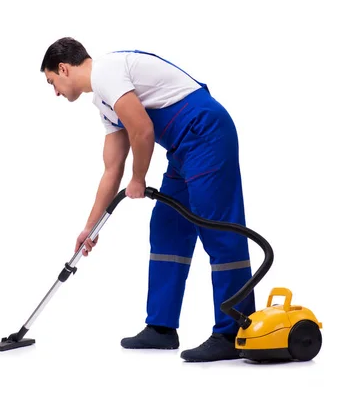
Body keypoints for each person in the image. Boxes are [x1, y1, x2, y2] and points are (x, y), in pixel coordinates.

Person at [40, 37, 255, 362]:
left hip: (206, 132)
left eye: (52, 82)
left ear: (63, 68)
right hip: (184, 147)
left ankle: (233, 330)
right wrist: (90, 228)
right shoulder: (103, 102)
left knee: (218, 229)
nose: (55, 91)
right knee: (167, 226)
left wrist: (138, 179)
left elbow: (142, 131)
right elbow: (112, 169)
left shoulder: (107, 72)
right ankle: (161, 328)